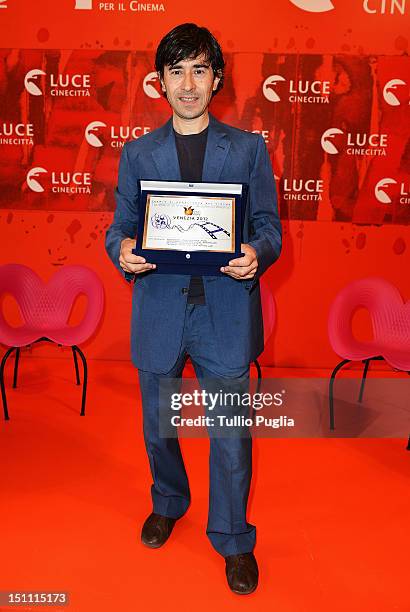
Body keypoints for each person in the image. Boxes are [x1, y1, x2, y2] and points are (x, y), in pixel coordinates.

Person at [105, 22, 282, 595]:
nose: (187, 84)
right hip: (158, 307)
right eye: (176, 72)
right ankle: (169, 501)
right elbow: (119, 230)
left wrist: (257, 252)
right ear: (160, 83)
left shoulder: (249, 149)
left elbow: (269, 228)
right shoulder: (137, 153)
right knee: (159, 428)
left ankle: (233, 539)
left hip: (225, 311)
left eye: (199, 70)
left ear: (217, 80)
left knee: (231, 434)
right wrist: (124, 251)